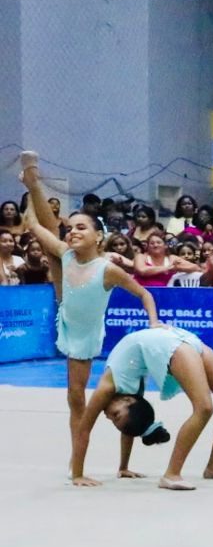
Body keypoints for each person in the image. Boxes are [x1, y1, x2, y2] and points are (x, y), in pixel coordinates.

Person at [20, 154, 166, 446]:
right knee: (52, 243)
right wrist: (29, 212)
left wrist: (154, 322)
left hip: (83, 337)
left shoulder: (108, 270)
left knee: (76, 398)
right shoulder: (67, 252)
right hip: (66, 308)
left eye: (81, 227)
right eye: (71, 227)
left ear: (99, 236)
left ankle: (78, 461)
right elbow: (35, 228)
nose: (73, 231)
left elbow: (145, 293)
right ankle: (33, 180)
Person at [70, 326, 213, 490]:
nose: (108, 414)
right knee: (204, 408)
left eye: (115, 415)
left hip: (176, 341)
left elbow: (84, 429)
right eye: (112, 418)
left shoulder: (106, 388)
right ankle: (172, 474)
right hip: (174, 343)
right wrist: (123, 468)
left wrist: (77, 475)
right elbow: (127, 426)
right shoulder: (129, 395)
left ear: (128, 400)